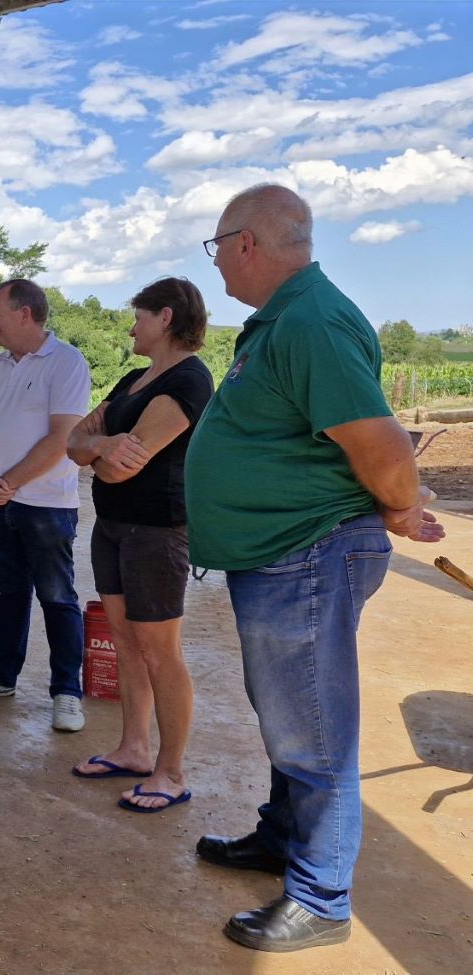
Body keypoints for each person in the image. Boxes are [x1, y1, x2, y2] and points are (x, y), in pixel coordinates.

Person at [186, 184, 444, 952]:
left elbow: (385, 447)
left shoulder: (311, 319)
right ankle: (283, 838)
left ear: (247, 243)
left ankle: (321, 894)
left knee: (314, 728)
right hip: (286, 553)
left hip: (306, 553)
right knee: (289, 711)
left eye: (217, 247)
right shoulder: (289, 319)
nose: (218, 264)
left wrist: (399, 505)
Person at [66, 277, 215, 812]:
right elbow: (75, 444)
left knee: (159, 651)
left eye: (139, 317)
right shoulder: (134, 379)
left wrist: (98, 453)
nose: (131, 327)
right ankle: (133, 748)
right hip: (112, 528)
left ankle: (170, 772)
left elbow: (122, 469)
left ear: (167, 317)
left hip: (156, 532)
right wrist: (101, 445)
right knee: (125, 643)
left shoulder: (190, 381)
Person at [0, 278, 92, 732]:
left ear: (25, 313)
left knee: (57, 596)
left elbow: (62, 438)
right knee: (10, 592)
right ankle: (0, 675)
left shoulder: (65, 362)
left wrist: (6, 482)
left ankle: (67, 692)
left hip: (46, 504)